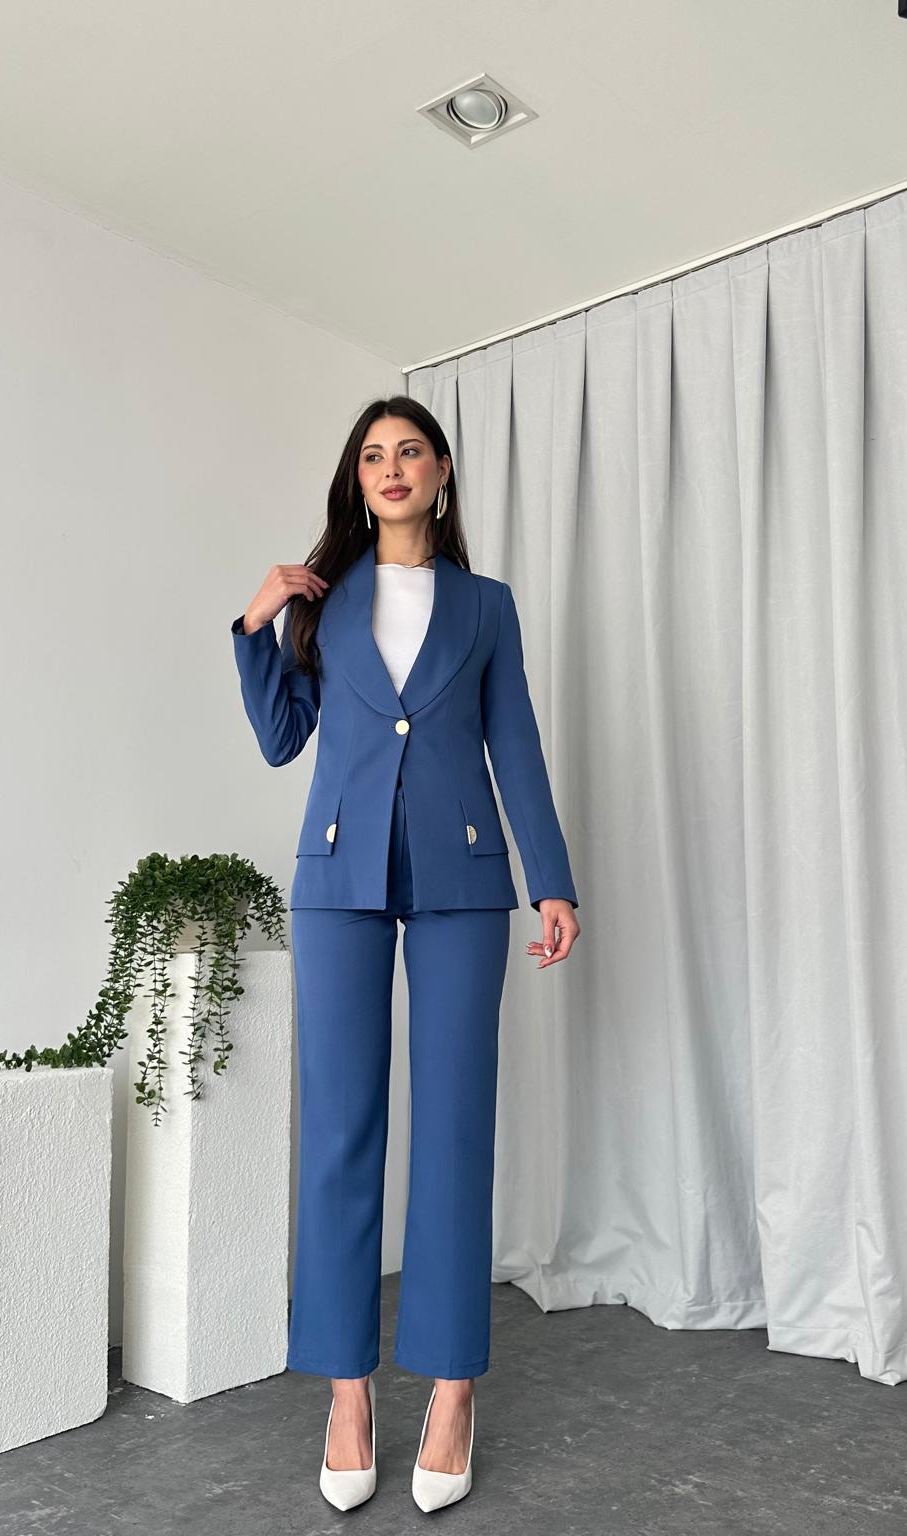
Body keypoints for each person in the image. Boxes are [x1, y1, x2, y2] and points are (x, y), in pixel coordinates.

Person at [230, 395, 580, 1512]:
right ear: (359, 478)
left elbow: (514, 740)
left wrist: (552, 877)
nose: (391, 468)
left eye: (409, 451)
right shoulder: (322, 605)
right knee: (340, 1130)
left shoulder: (486, 605)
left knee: (455, 1128)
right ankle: (347, 1394)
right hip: (337, 877)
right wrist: (255, 625)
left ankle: (452, 1388)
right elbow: (283, 739)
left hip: (462, 878)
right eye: (373, 454)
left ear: (441, 471)